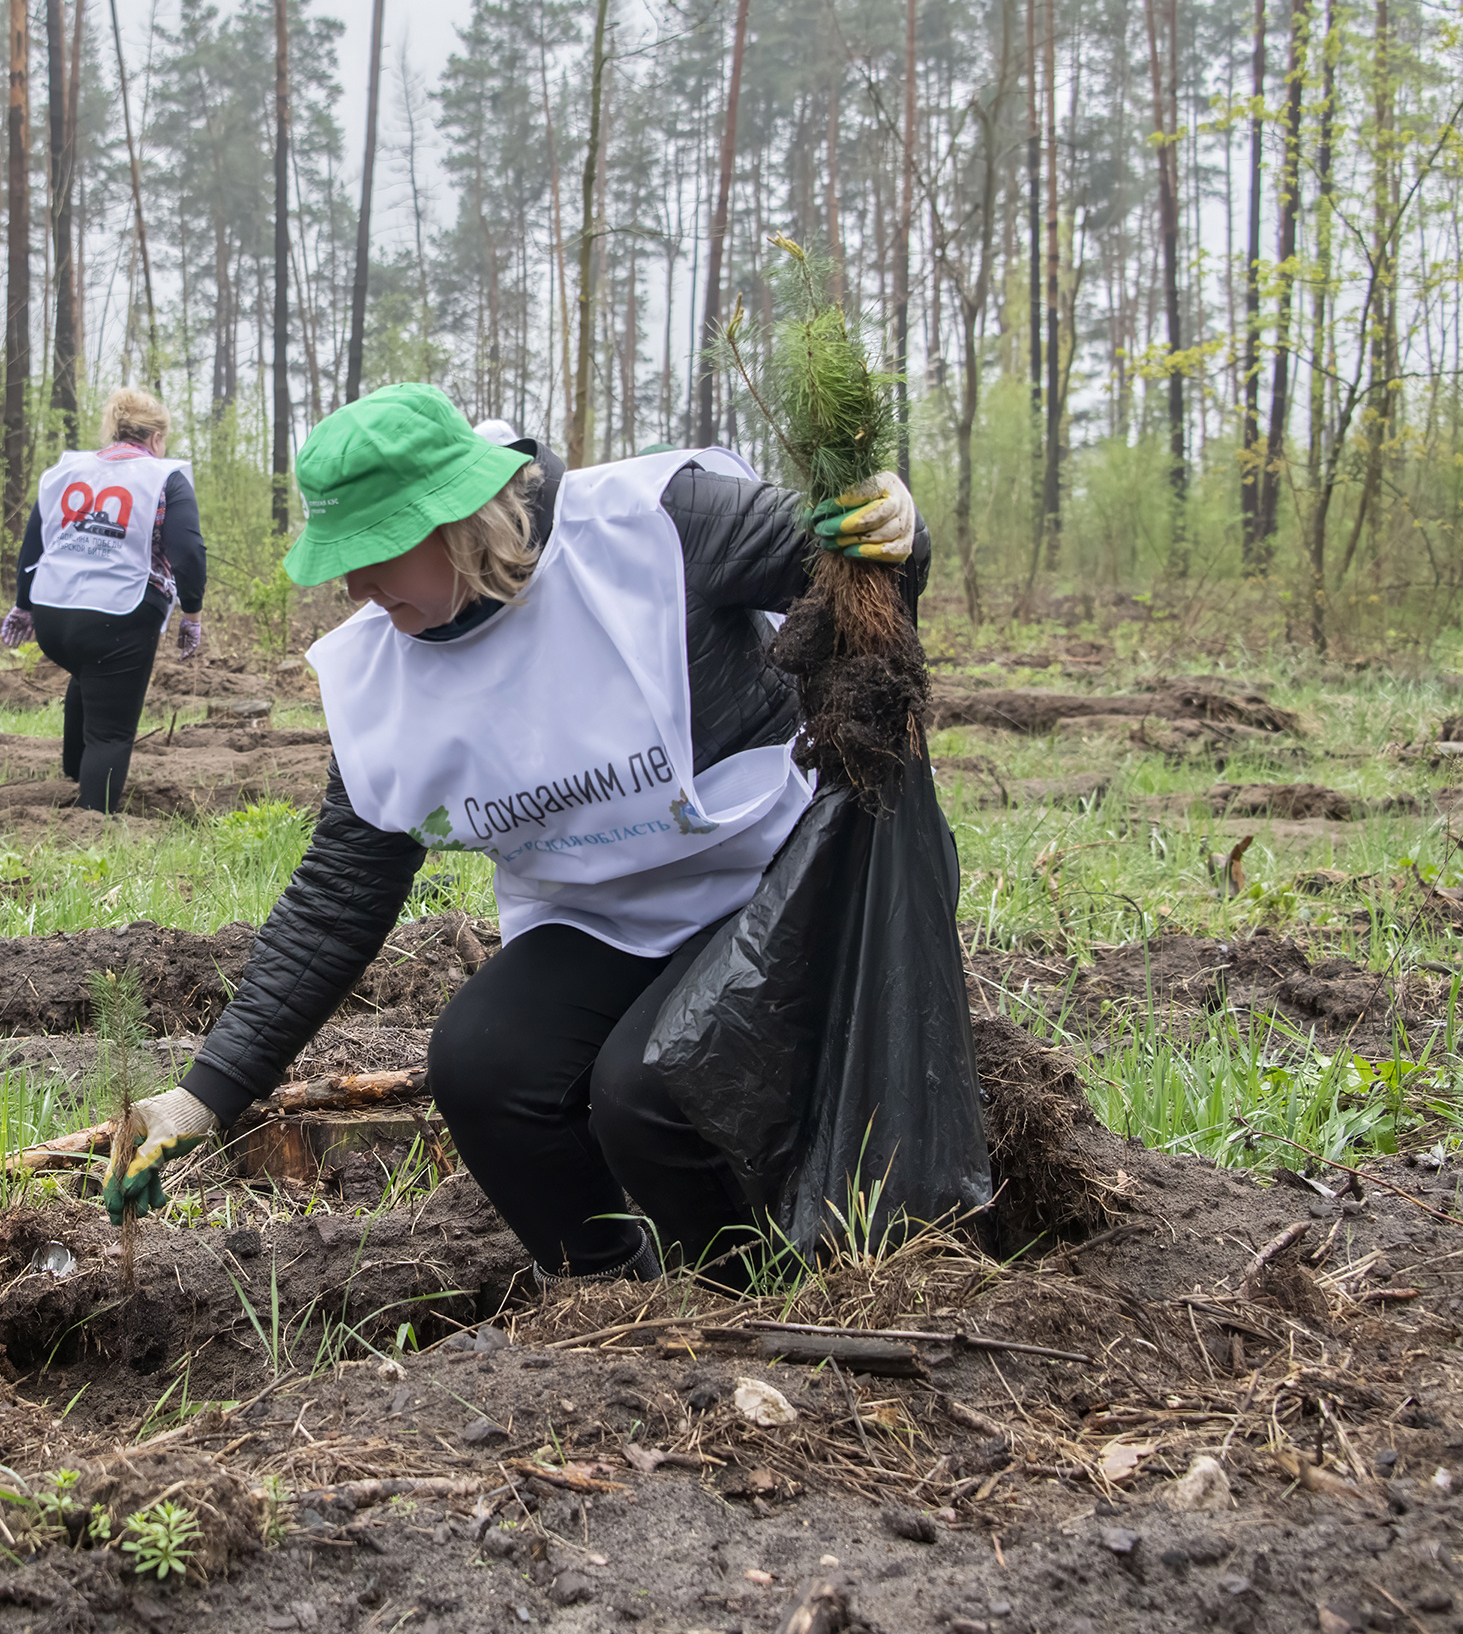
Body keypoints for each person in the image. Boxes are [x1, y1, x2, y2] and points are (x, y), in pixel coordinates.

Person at [100, 385, 987, 1277]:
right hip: (607, 911)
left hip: (782, 881)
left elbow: (860, 578)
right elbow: (337, 898)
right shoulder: (386, 681)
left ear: (460, 520)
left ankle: (757, 1288)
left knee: (651, 1089)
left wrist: (897, 533)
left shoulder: (657, 528)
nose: (355, 586)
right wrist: (203, 1097)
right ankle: (609, 1295)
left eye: (378, 551)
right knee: (486, 1069)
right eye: (340, 558)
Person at [0, 389, 209, 814]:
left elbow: (33, 545)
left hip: (54, 614)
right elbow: (187, 551)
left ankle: (74, 775)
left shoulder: (66, 470)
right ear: (156, 438)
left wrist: (24, 606)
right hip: (120, 613)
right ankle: (92, 822)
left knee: (89, 672)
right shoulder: (164, 478)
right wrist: (192, 612)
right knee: (111, 733)